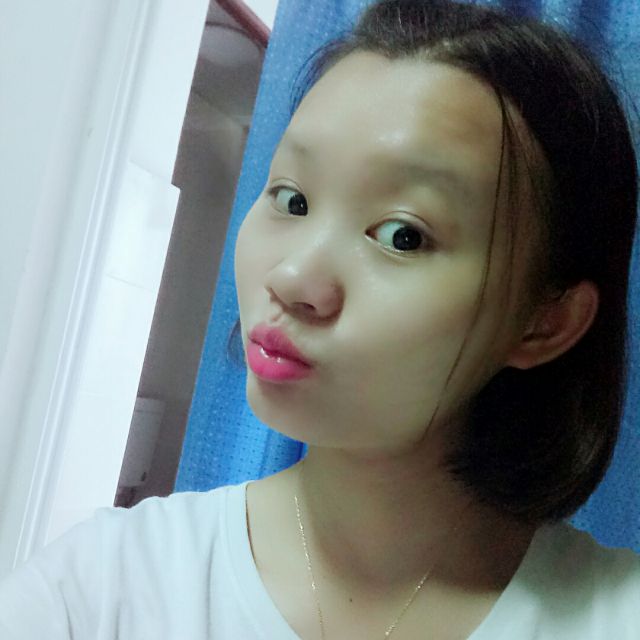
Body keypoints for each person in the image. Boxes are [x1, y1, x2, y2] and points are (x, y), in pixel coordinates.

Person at [1, 0, 639, 638]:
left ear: (545, 321)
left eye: (402, 236)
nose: (291, 278)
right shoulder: (105, 587)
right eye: (292, 199)